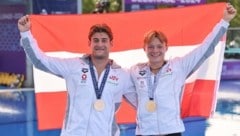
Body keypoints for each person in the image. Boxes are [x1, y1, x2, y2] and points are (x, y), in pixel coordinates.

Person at [18, 15, 137, 136]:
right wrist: (26, 33)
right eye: (95, 40)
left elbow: (143, 103)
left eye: (104, 40)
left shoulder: (123, 75)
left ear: (111, 44)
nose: (100, 44)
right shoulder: (73, 67)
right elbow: (40, 61)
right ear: (89, 43)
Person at [129, 3, 237, 136]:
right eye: (150, 47)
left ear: (166, 48)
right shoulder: (135, 71)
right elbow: (119, 83)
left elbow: (205, 49)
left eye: (159, 46)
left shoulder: (178, 66)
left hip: (172, 132)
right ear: (144, 49)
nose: (155, 50)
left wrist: (224, 21)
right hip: (144, 133)